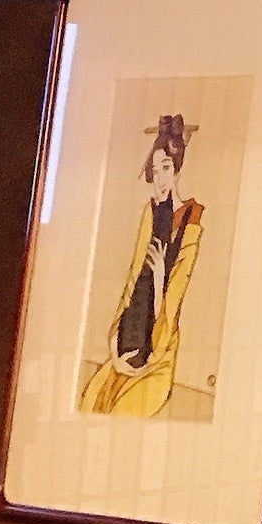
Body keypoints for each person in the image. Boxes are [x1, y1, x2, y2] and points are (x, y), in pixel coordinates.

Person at [78, 114, 205, 417]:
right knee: (91, 400)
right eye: (155, 170)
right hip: (126, 341)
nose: (160, 178)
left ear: (177, 169)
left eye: (166, 168)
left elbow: (173, 302)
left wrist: (160, 277)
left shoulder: (192, 220)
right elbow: (132, 279)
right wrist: (114, 350)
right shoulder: (150, 212)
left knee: (125, 411)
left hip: (158, 351)